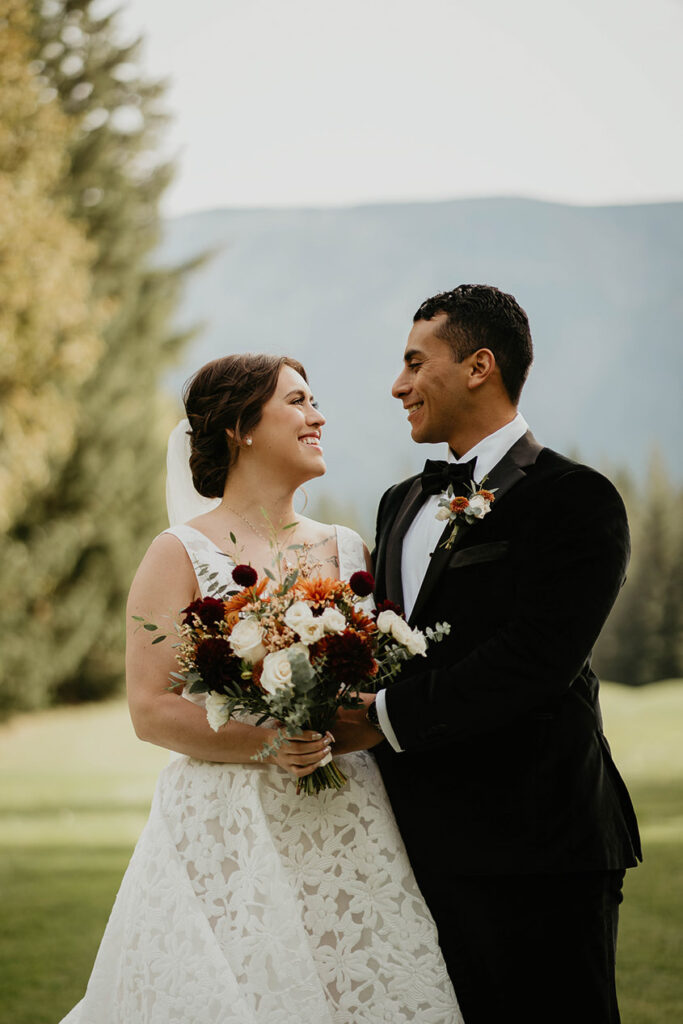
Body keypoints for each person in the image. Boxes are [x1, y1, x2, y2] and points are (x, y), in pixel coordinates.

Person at [58, 353, 461, 1024]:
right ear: (240, 428)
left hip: (344, 821)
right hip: (226, 826)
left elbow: (377, 687)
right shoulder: (179, 552)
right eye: (298, 402)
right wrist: (270, 743)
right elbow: (150, 708)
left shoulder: (349, 551)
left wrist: (333, 732)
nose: (318, 416)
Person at [333, 285, 642, 1024]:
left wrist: (382, 717)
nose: (396, 384)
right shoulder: (399, 501)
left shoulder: (576, 499)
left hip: (539, 845)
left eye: (414, 362)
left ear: (478, 365)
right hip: (413, 842)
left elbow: (536, 659)